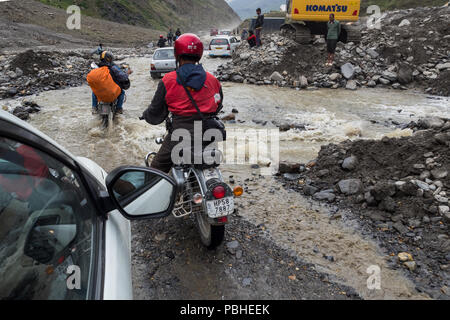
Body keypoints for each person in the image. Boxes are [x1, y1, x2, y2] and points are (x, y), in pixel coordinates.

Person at [141, 34, 224, 173]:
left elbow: (156, 111)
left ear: (177, 54)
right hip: (209, 133)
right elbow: (219, 105)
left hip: (180, 134)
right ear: (199, 54)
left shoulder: (168, 80)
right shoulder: (213, 80)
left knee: (156, 169)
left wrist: (147, 115)